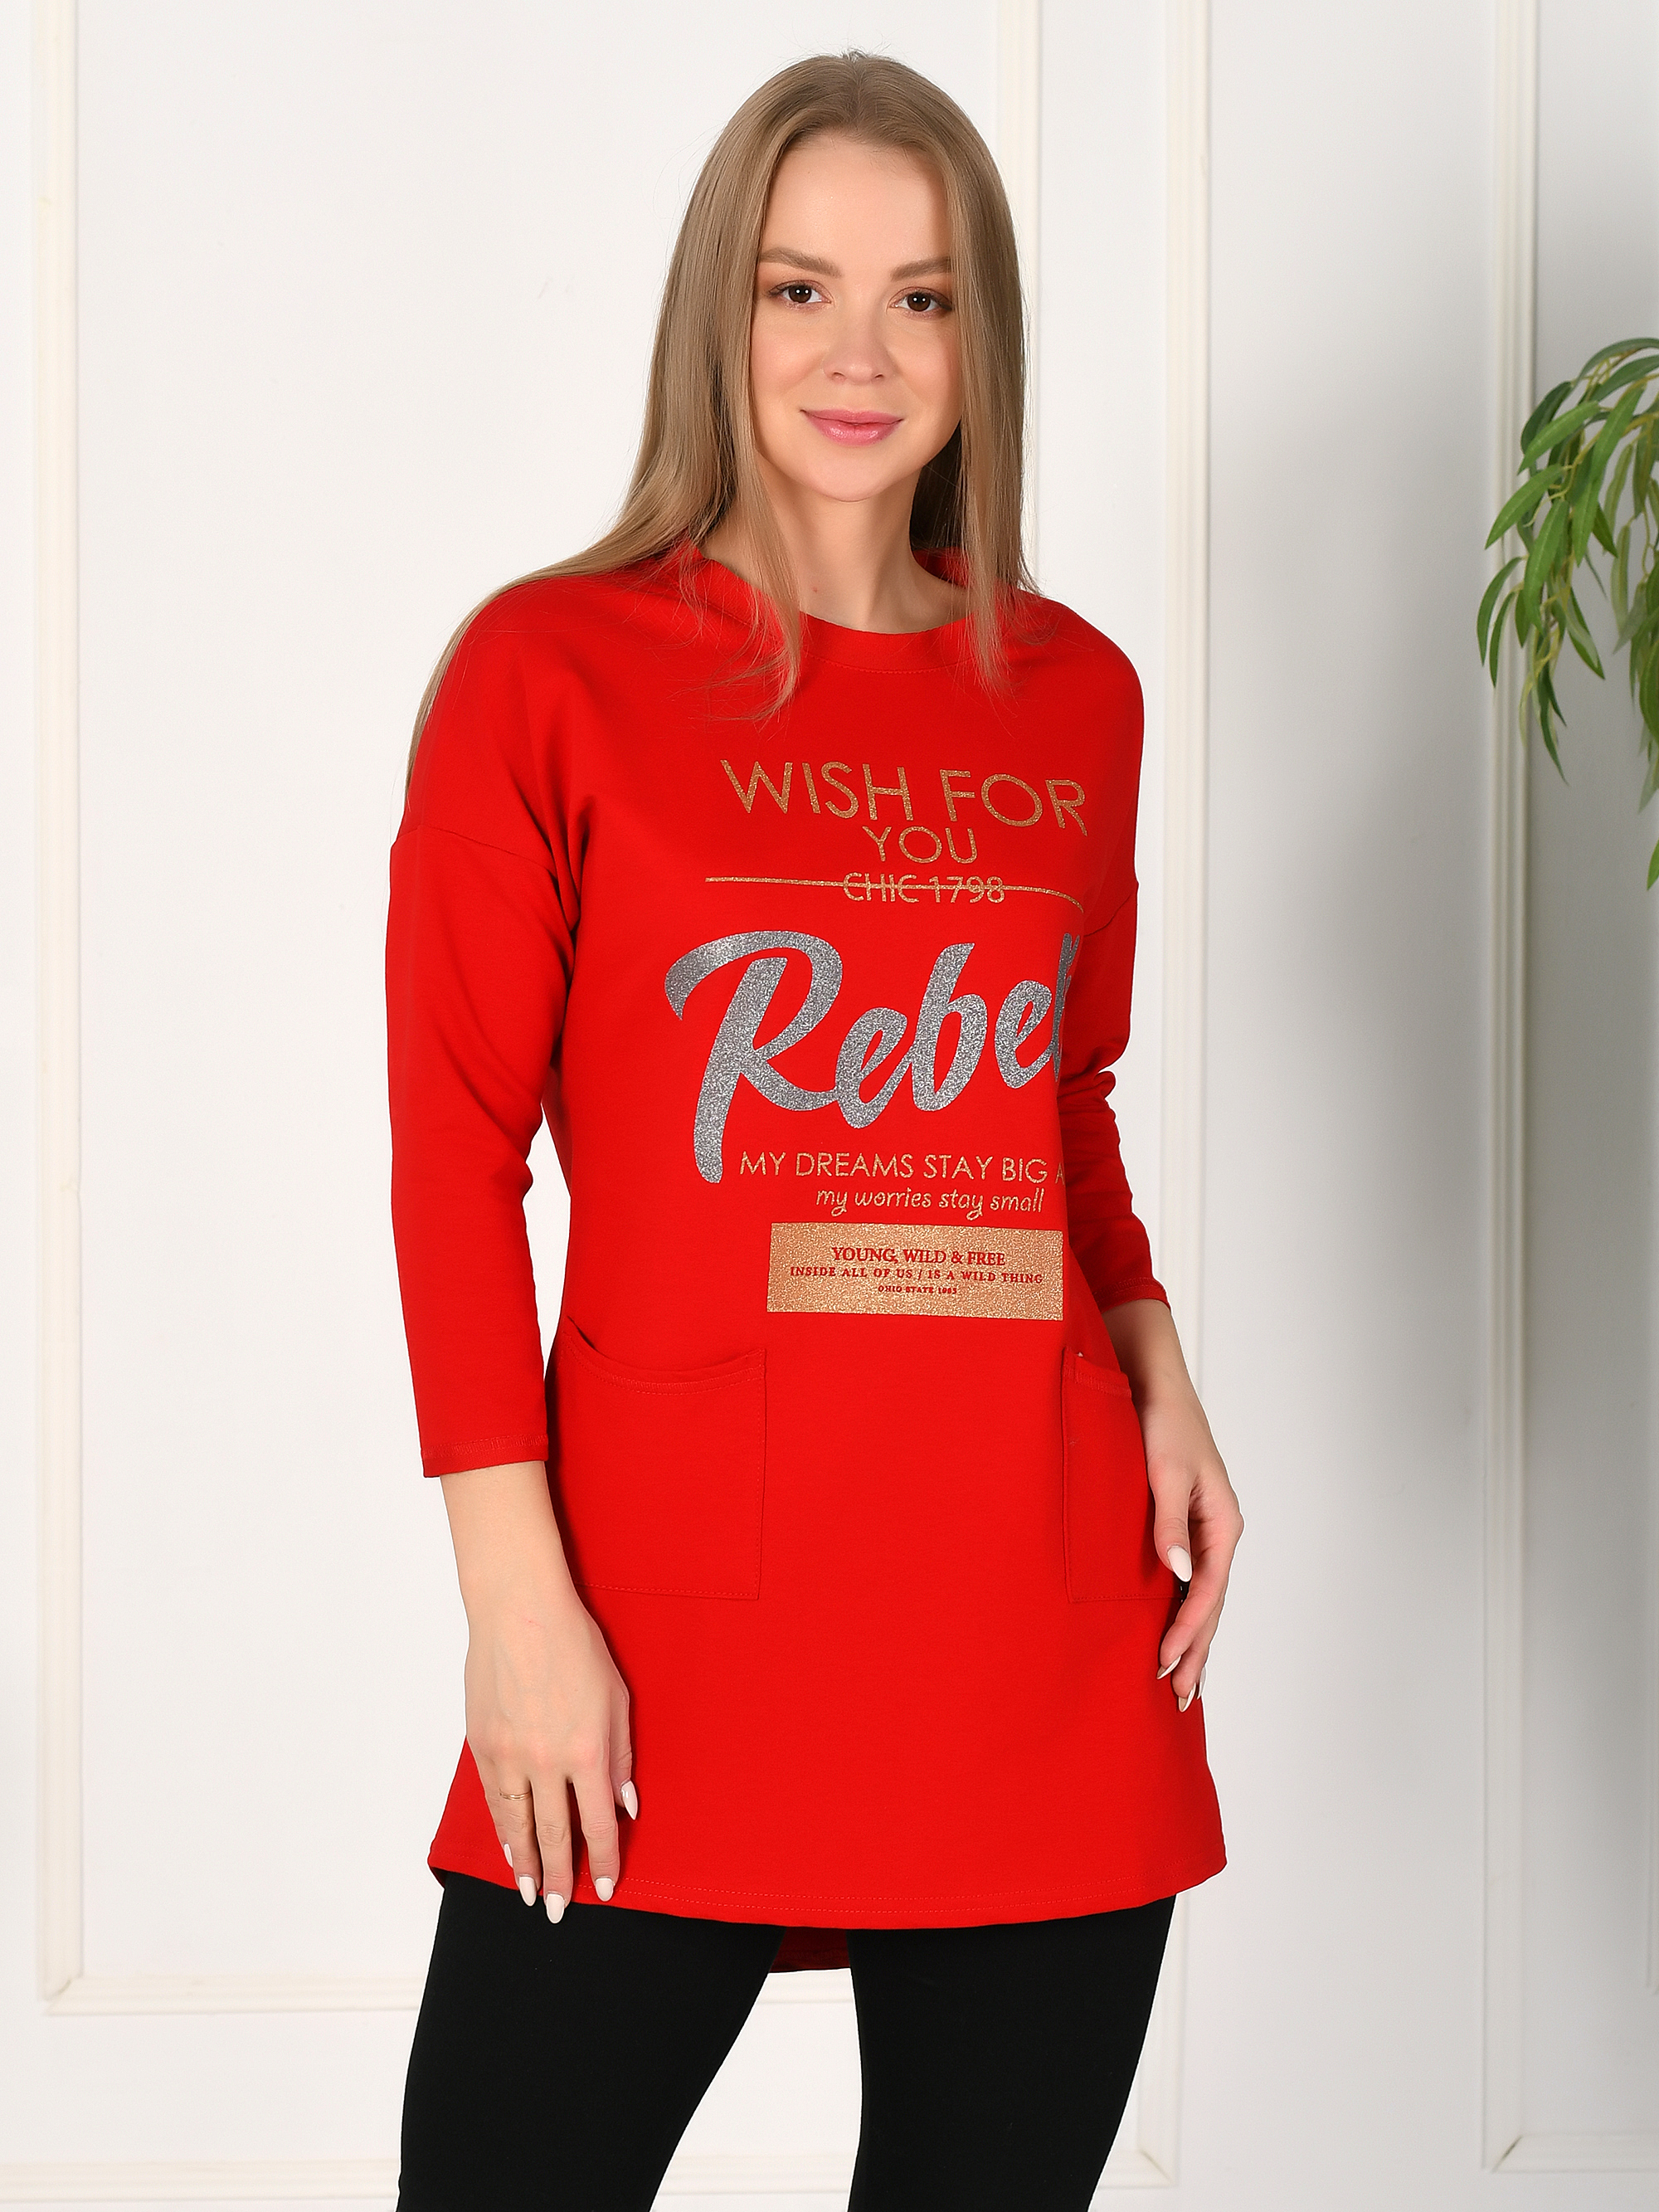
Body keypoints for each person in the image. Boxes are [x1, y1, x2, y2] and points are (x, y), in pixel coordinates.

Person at [386, 49, 1241, 2212]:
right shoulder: (548, 673)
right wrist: (515, 1601)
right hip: (656, 1623)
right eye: (801, 289)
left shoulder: (1077, 698)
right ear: (722, 312)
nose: (862, 354)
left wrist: (1157, 1357)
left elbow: (1058, 1102)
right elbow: (454, 1153)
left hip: (1036, 1624)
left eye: (922, 297)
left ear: (982, 338)